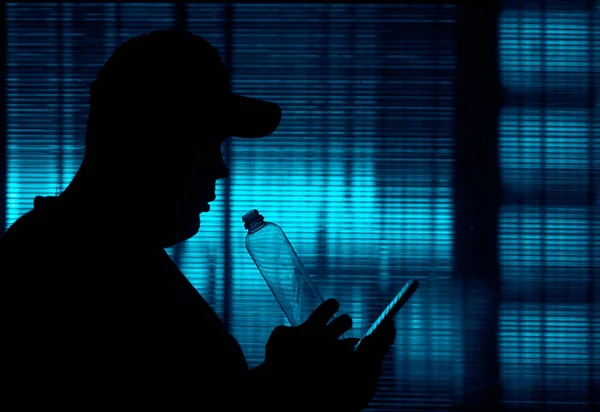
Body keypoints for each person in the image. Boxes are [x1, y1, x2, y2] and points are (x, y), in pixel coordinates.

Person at [0, 30, 396, 411]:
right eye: (205, 141)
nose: (220, 168)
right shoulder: (65, 267)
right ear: (147, 140)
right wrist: (286, 386)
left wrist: (291, 383)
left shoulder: (99, 254)